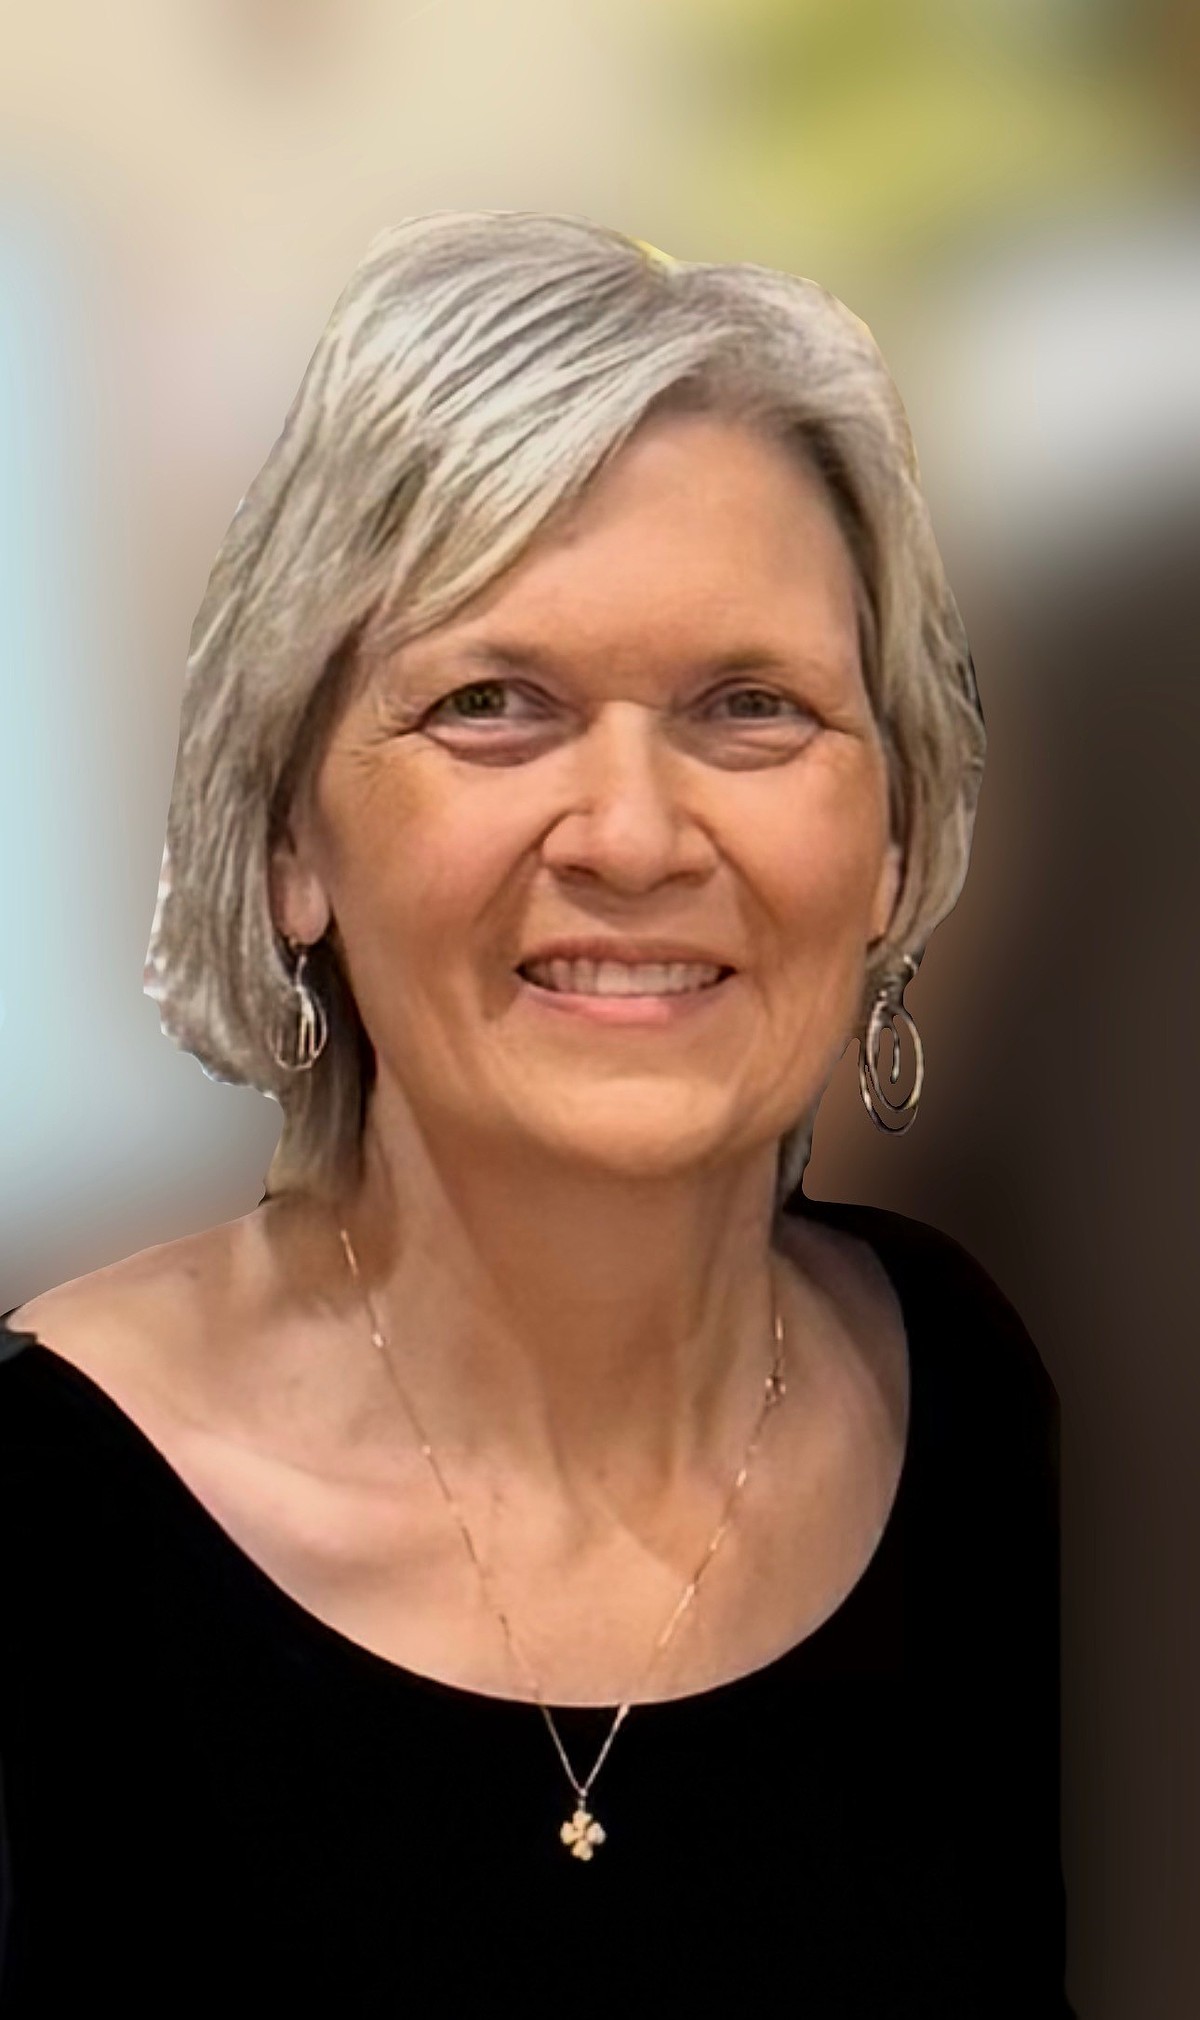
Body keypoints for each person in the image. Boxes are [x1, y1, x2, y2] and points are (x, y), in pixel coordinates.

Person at [0, 211, 1073, 2014]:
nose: (634, 837)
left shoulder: (990, 1409)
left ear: (893, 842)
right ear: (289, 840)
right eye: (492, 705)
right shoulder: (38, 1526)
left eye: (753, 707)